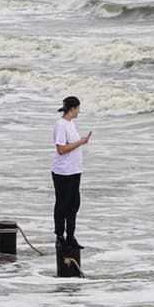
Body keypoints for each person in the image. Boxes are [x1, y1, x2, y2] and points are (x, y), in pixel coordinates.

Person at [52, 95, 91, 249]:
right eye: (78, 109)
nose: (79, 112)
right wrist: (81, 142)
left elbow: (71, 144)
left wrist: (80, 141)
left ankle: (71, 236)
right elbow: (61, 149)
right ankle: (60, 236)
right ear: (73, 108)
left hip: (75, 170)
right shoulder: (61, 124)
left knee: (74, 204)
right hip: (62, 172)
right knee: (62, 204)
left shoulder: (71, 124)